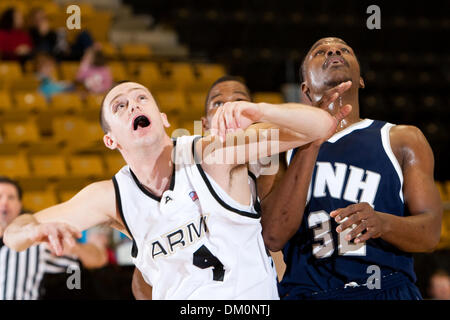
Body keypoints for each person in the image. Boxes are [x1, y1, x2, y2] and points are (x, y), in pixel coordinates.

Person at [4, 80, 350, 299]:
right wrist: (35, 229)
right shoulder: (110, 196)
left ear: (163, 117)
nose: (133, 105)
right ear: (111, 139)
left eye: (141, 97)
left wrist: (259, 110)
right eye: (119, 106)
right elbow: (14, 233)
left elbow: (320, 125)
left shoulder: (214, 154)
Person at [261, 37, 443, 300]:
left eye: (344, 49)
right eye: (319, 52)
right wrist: (311, 141)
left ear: (361, 80)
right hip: (310, 291)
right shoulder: (281, 148)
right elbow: (273, 237)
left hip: (387, 288)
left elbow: (430, 234)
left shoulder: (402, 139)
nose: (334, 51)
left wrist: (383, 223)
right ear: (306, 90)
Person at [0, 176, 106, 300]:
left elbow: (95, 260)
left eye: (11, 197)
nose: (4, 202)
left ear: (19, 205)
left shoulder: (36, 242)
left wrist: (75, 248)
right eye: (0, 196)